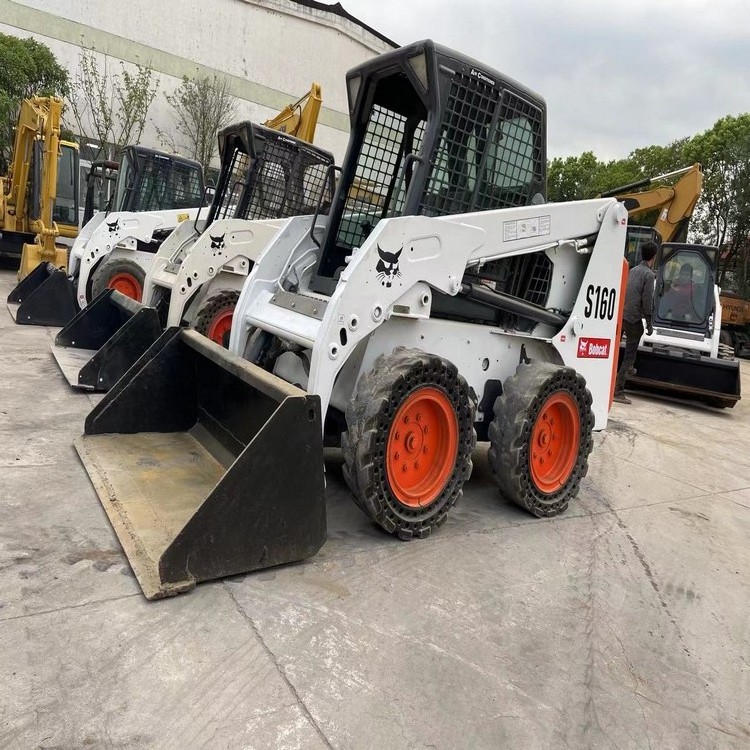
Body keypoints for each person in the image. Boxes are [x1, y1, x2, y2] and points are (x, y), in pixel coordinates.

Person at [613, 241, 658, 404]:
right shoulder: (649, 275)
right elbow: (647, 301)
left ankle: (619, 378)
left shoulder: (631, 271)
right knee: (630, 355)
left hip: (622, 316)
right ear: (654, 257)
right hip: (633, 318)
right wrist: (649, 321)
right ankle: (618, 390)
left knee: (616, 352)